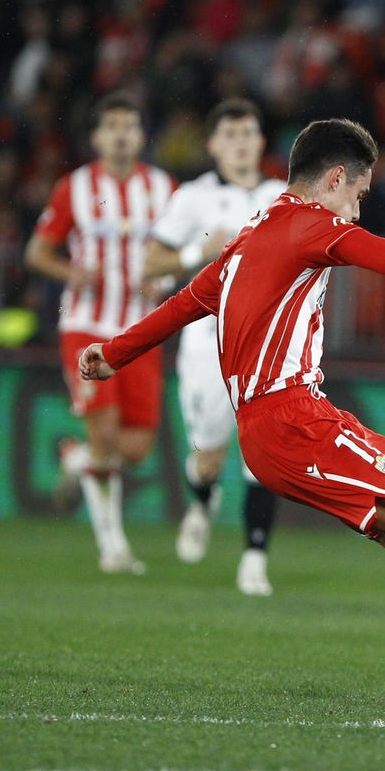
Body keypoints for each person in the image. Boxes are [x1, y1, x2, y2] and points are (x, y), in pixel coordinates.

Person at [82, 118, 385, 713]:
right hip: (290, 419)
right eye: (358, 194)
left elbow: (183, 303)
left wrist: (114, 353)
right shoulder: (313, 227)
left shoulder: (249, 237)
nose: (356, 211)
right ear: (335, 179)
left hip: (282, 421)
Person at [142, 98, 285, 595]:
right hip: (207, 339)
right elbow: (148, 265)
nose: (241, 143)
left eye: (248, 133)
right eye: (230, 135)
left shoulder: (282, 194)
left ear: (261, 142)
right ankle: (202, 498)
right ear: (213, 145)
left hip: (269, 342)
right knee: (208, 455)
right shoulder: (192, 198)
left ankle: (254, 557)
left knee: (262, 454)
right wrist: (194, 252)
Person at [25, 93, 173, 575]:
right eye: (112, 126)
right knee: (106, 439)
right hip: (86, 326)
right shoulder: (76, 188)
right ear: (96, 137)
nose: (121, 134)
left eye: (129, 125)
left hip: (141, 329)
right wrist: (72, 274)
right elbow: (38, 252)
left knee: (135, 450)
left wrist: (165, 281)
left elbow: (178, 253)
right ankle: (113, 547)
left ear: (141, 135)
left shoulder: (164, 188)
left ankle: (73, 458)